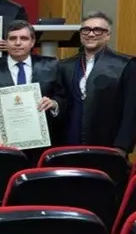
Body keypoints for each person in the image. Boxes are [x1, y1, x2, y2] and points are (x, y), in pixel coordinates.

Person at [0, 20, 64, 157]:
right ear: (5, 42)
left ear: (32, 42)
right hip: (3, 144)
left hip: (43, 144)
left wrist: (54, 104)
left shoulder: (51, 65)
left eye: (23, 38)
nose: (18, 43)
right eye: (12, 38)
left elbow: (62, 97)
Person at [56, 11, 135, 152]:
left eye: (98, 30)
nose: (91, 34)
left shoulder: (125, 65)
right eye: (86, 30)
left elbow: (131, 111)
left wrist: (122, 146)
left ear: (108, 35)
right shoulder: (65, 66)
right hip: (68, 143)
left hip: (107, 144)